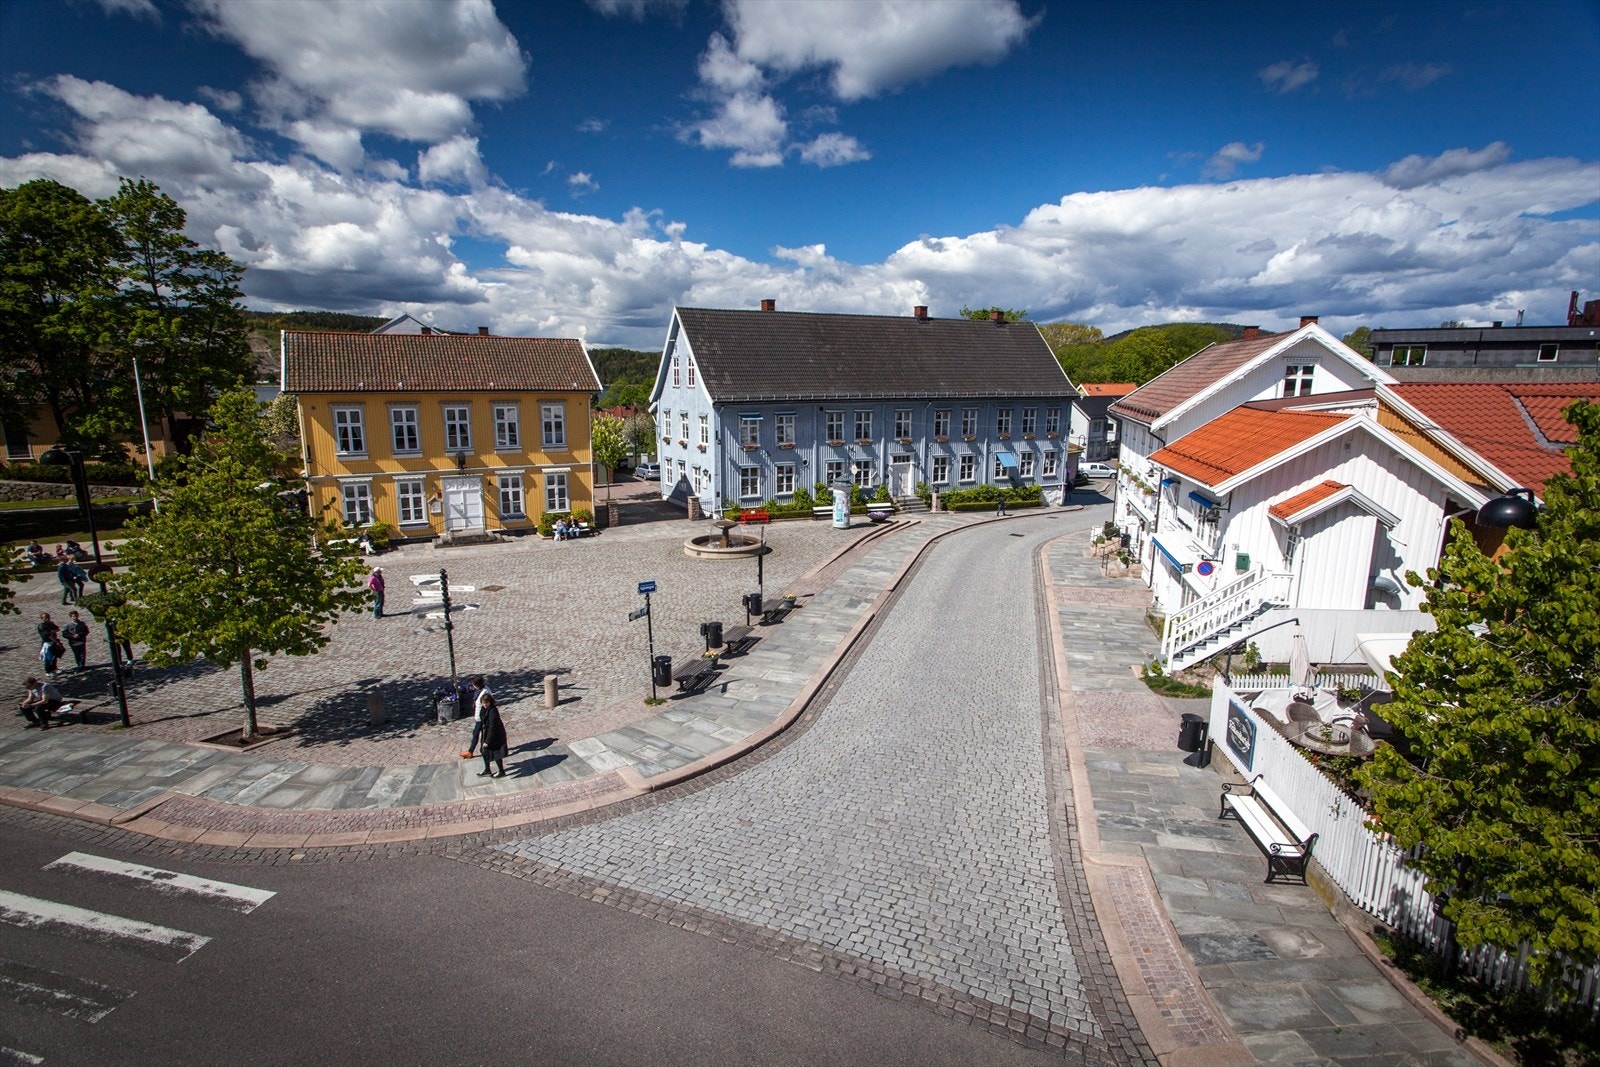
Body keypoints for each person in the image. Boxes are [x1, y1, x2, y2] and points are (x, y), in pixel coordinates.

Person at [476, 691, 508, 778]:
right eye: (483, 703)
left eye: (486, 702)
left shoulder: (493, 711)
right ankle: (487, 769)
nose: (484, 704)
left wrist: (487, 741)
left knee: (496, 753)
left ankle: (501, 771)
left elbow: (492, 727)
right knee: (484, 751)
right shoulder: (484, 709)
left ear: (490, 702)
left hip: (495, 736)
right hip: (486, 733)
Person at [460, 675, 491, 759]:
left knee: (478, 734)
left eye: (473, 684)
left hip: (482, 718)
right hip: (479, 717)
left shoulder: (484, 692)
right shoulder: (480, 690)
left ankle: (471, 751)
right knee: (476, 733)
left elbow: (486, 706)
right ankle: (471, 751)